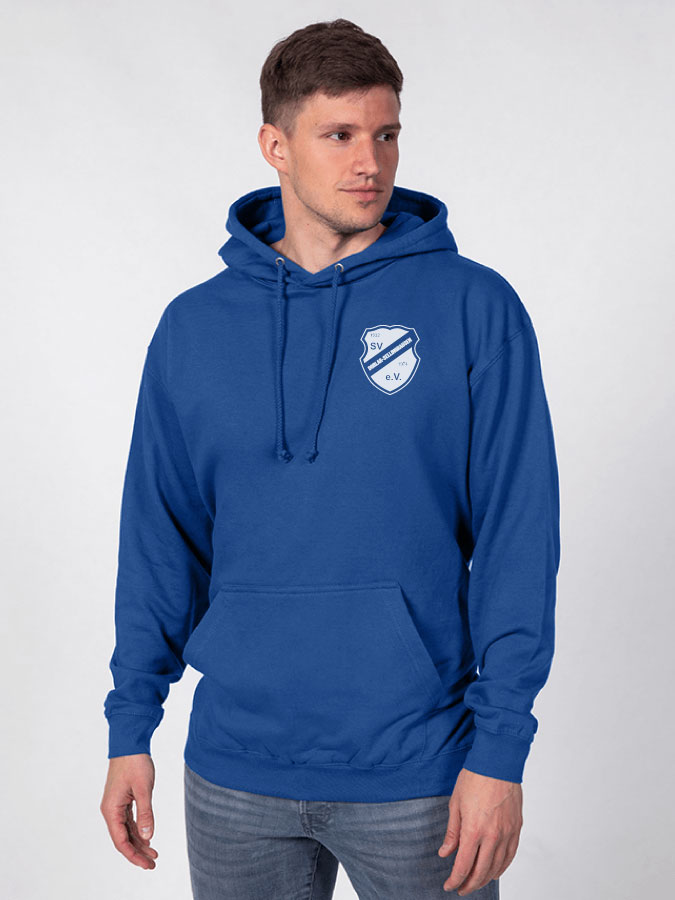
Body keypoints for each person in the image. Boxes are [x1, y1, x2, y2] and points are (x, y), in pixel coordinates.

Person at [99, 18, 560, 899]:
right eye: (339, 135)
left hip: (420, 771)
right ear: (275, 146)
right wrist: (131, 726)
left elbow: (517, 536)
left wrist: (500, 750)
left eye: (386, 134)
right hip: (233, 771)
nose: (369, 162)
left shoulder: (473, 307)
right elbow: (159, 538)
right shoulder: (194, 328)